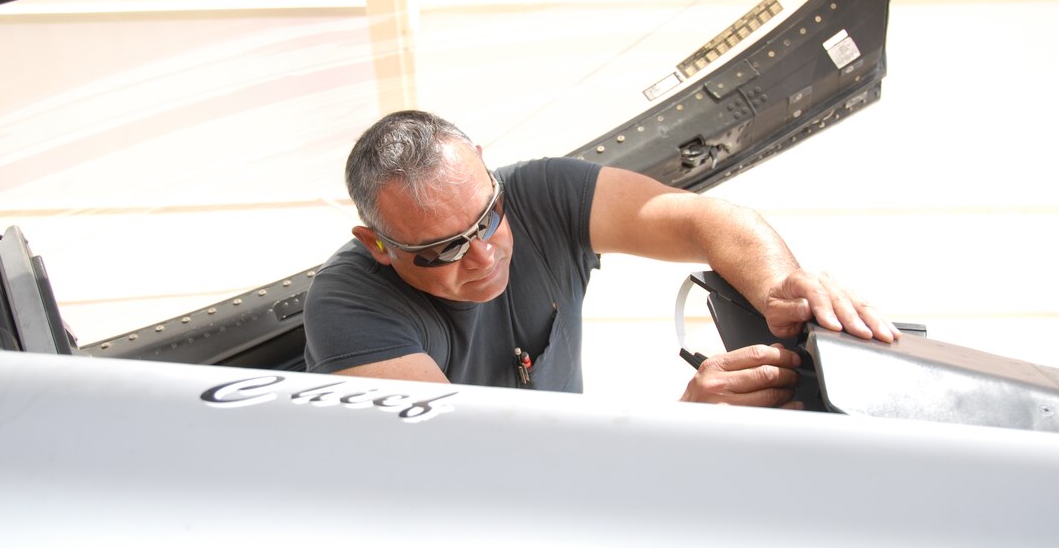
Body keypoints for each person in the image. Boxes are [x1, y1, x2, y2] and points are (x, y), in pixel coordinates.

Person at [303, 110, 898, 407]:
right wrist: (681, 428)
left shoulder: (540, 191)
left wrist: (780, 286)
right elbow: (472, 472)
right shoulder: (347, 307)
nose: (483, 255)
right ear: (377, 244)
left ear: (486, 167)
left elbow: (706, 220)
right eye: (443, 249)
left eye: (488, 218)